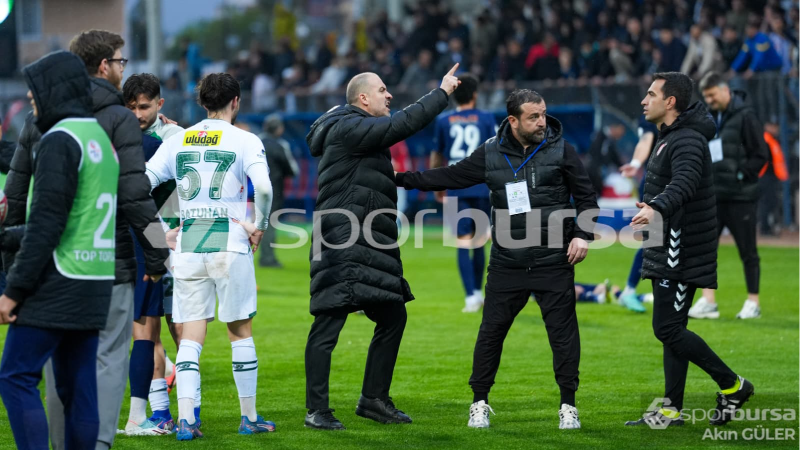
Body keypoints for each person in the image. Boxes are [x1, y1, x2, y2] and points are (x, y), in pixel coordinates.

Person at [396, 89, 598, 430]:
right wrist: (398, 179)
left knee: (563, 336)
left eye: (544, 114)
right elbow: (449, 176)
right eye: (533, 117)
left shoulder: (562, 149)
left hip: (553, 261)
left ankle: (568, 406)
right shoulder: (490, 153)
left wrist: (583, 234)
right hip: (507, 264)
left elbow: (587, 194)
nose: (541, 122)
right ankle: (479, 402)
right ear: (513, 120)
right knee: (490, 334)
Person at [303, 64, 460, 430]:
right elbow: (400, 125)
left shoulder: (353, 128)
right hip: (343, 238)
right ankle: (317, 410)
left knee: (392, 315)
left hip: (367, 239)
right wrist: (441, 93)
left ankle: (373, 399)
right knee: (329, 318)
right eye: (382, 90)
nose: (389, 96)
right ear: (363, 99)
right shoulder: (349, 127)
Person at [145, 72, 275, 441]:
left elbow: (138, 184)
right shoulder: (245, 140)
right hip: (230, 237)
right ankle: (248, 417)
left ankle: (186, 421)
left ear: (201, 102)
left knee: (189, 337)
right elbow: (263, 187)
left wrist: (156, 232)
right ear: (236, 101)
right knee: (240, 330)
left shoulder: (180, 139)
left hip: (189, 239)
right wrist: (259, 224)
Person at [0, 50, 119, 450]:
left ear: (54, 88)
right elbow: (75, 220)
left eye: (35, 89)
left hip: (58, 277)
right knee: (78, 387)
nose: (31, 98)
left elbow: (49, 224)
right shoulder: (99, 138)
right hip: (95, 279)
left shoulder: (59, 140)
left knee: (15, 376)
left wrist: (14, 290)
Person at [625, 72, 753, 428]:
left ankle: (733, 385)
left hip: (680, 250)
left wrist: (657, 207)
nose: (643, 100)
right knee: (672, 329)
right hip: (668, 246)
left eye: (650, 94)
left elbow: (684, 183)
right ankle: (669, 410)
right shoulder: (672, 137)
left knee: (667, 329)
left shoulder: (687, 140)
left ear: (670, 102)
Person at [122, 73, 188, 434]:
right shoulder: (130, 136)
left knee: (181, 330)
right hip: (145, 240)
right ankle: (160, 412)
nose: (137, 114)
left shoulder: (175, 137)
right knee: (149, 331)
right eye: (130, 107)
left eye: (144, 107)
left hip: (174, 241)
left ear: (160, 105)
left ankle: (189, 408)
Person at [691, 72, 769, 320]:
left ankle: (753, 302)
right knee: (705, 249)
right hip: (715, 196)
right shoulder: (712, 117)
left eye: (712, 95)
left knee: (747, 251)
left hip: (740, 197)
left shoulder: (746, 116)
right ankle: (708, 301)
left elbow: (761, 154)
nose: (709, 100)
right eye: (706, 97)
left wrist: (739, 176)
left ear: (725, 90)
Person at [430, 73, 496, 313]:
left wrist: (438, 186)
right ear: (475, 94)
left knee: (462, 242)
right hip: (481, 185)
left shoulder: (444, 121)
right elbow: (497, 151)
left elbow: (437, 156)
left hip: (455, 184)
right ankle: (478, 293)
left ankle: (470, 297)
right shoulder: (487, 118)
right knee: (479, 243)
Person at [617, 115, 660, 314]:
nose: (644, 101)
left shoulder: (684, 118)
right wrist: (635, 163)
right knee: (653, 241)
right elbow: (645, 140)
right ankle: (630, 290)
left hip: (676, 185)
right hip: (656, 185)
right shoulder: (650, 120)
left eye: (650, 95)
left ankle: (634, 291)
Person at [258, 113, 298, 268]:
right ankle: (267, 258)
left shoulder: (256, 141)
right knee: (270, 223)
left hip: (252, 189)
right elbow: (292, 170)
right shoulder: (281, 145)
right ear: (279, 129)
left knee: (256, 222)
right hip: (273, 189)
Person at [759, 122, 789, 235]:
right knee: (767, 203)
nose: (776, 128)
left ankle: (768, 226)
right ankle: (765, 228)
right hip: (765, 176)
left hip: (772, 177)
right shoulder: (765, 139)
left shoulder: (772, 139)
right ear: (767, 126)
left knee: (771, 202)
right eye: (773, 126)